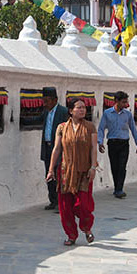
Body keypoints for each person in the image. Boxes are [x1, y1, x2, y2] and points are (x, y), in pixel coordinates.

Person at [48, 99, 97, 246]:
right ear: (71, 111)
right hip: (65, 171)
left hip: (84, 171)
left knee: (83, 204)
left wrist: (93, 167)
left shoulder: (90, 127)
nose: (82, 110)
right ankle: (71, 235)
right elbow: (57, 149)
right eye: (79, 107)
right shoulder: (61, 128)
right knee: (65, 207)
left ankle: (87, 228)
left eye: (84, 108)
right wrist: (50, 169)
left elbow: (93, 148)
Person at [98, 91, 137, 199]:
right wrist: (100, 142)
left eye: (126, 102)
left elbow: (133, 129)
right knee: (115, 166)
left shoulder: (127, 115)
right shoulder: (107, 113)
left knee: (122, 166)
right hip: (112, 143)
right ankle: (116, 188)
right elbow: (101, 129)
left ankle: (120, 189)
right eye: (123, 102)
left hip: (124, 143)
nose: (125, 104)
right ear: (116, 101)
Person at [38, 87, 69, 211]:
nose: (45, 104)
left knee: (60, 175)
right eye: (43, 101)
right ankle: (53, 200)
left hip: (60, 149)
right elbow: (39, 120)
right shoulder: (46, 112)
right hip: (48, 148)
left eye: (47, 101)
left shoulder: (63, 112)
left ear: (55, 100)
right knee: (49, 175)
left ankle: (61, 203)